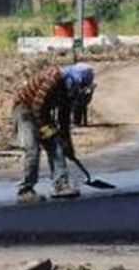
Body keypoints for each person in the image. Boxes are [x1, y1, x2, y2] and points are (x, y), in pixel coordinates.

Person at [12, 62, 95, 203]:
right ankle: (25, 190)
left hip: (42, 112)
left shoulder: (71, 90)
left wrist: (68, 145)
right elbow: (37, 105)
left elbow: (64, 119)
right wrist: (44, 129)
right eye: (75, 84)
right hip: (25, 109)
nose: (74, 88)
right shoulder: (53, 77)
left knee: (56, 145)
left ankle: (60, 186)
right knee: (33, 149)